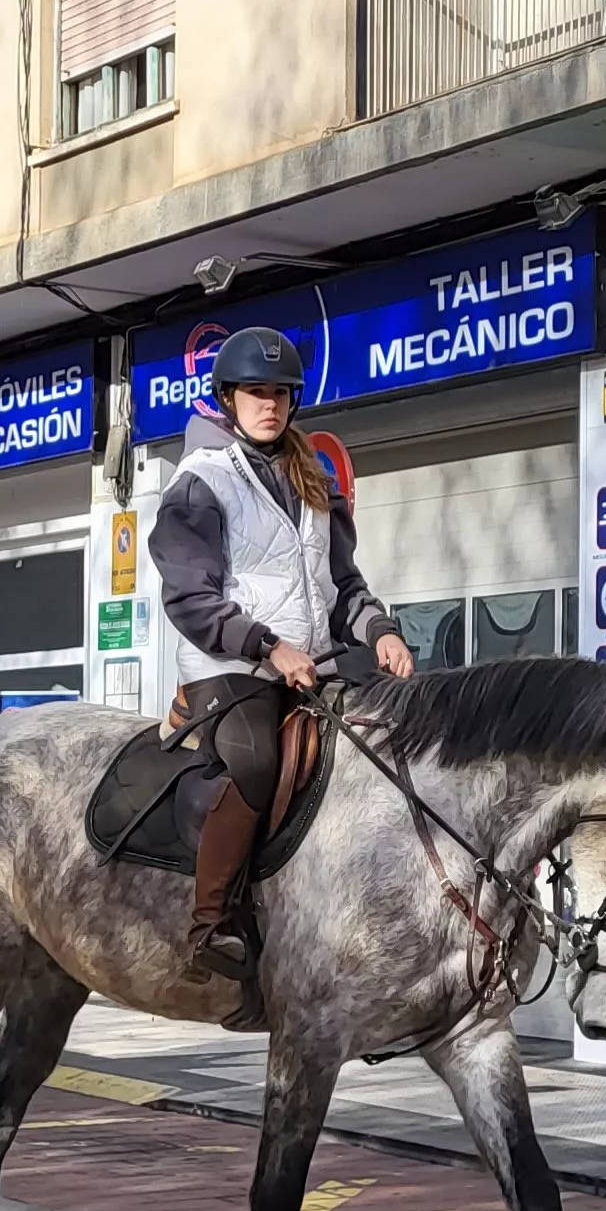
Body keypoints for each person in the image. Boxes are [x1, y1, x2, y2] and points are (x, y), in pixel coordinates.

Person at [148, 326, 414, 1019]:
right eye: (255, 393)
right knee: (257, 766)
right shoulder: (197, 483)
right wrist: (266, 647)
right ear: (227, 399)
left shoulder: (312, 479)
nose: (268, 405)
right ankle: (210, 927)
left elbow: (344, 587)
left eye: (279, 394)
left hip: (313, 665)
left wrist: (379, 632)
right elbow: (189, 597)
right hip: (230, 667)